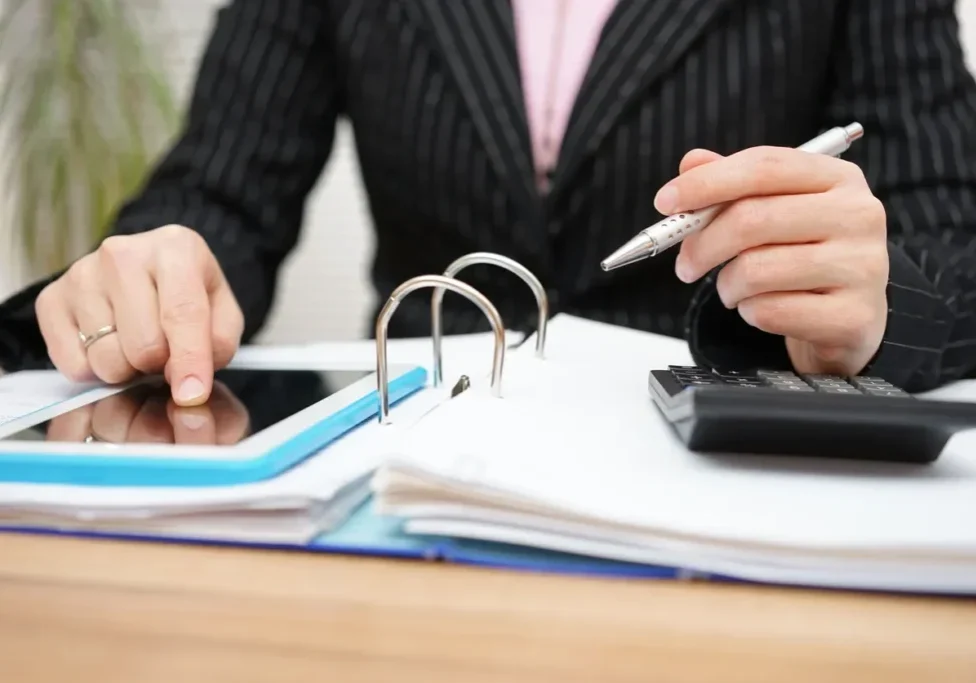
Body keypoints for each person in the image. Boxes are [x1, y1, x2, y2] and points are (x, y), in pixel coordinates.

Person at [1, 0, 975, 407]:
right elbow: (218, 191)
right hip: (410, 471)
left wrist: (886, 304)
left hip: (723, 484)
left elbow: (954, 233)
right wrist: (153, 274)